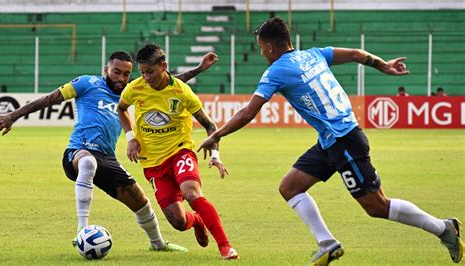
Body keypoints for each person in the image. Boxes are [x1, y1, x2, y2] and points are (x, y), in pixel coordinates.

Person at [198, 17, 463, 265]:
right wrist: (383, 65)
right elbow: (358, 54)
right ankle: (327, 243)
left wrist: (217, 134)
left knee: (376, 206)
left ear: (269, 47)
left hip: (345, 140)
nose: (261, 54)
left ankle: (443, 228)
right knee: (290, 187)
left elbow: (248, 112)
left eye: (260, 49)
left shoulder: (276, 70)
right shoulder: (314, 54)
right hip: (331, 140)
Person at [0, 50, 218, 253]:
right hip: (78, 151)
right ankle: (82, 231)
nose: (121, 78)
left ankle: (158, 244)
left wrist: (199, 69)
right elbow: (50, 98)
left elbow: (167, 81)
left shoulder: (131, 92)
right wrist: (13, 116)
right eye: (116, 72)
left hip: (107, 158)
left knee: (141, 203)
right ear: (106, 70)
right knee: (88, 163)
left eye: (126, 74)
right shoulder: (86, 83)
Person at [117, 44, 238, 260]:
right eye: (142, 72)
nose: (145, 77)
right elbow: (122, 109)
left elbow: (210, 126)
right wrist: (131, 138)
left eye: (150, 72)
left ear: (163, 66)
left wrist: (215, 156)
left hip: (180, 152)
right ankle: (198, 221)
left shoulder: (181, 91)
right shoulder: (135, 88)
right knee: (178, 222)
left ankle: (225, 246)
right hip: (152, 162)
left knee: (192, 193)